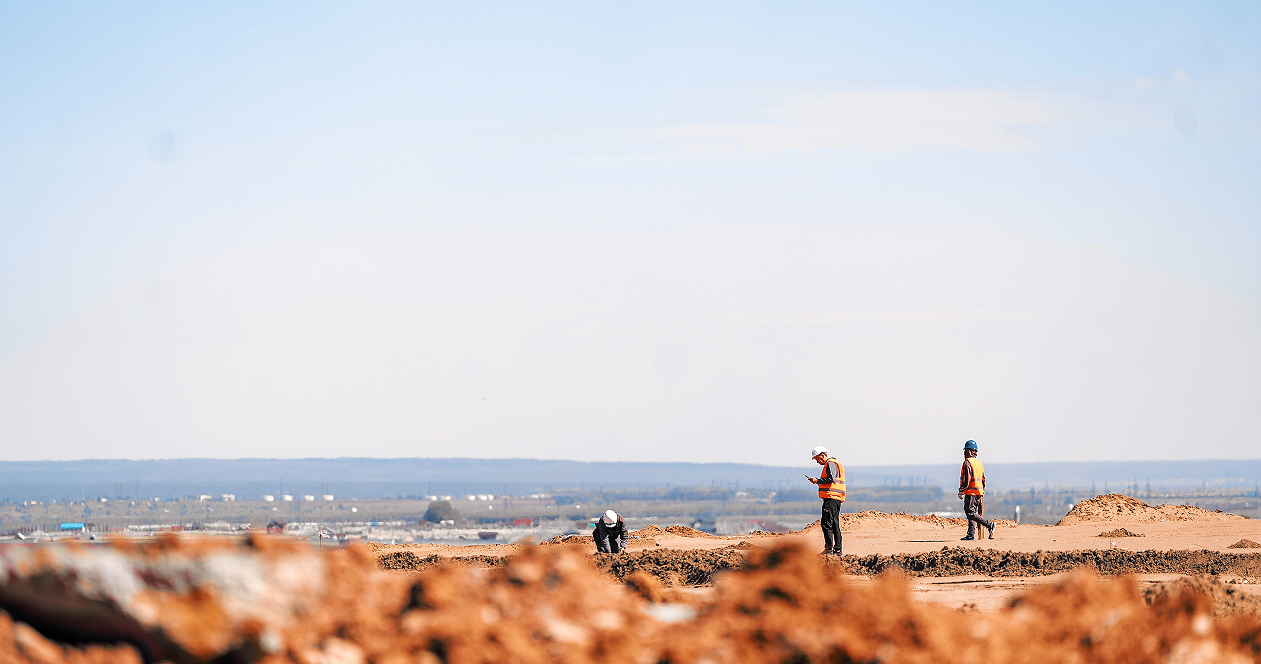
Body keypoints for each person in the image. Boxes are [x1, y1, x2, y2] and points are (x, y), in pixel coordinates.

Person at [806, 445, 845, 555]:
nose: (817, 461)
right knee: (834, 524)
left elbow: (831, 478)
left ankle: (829, 550)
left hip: (831, 498)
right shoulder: (834, 463)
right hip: (836, 498)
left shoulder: (830, 463)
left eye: (818, 459)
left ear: (823, 455)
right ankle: (837, 550)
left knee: (826, 523)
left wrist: (817, 481)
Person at [958, 440, 995, 540]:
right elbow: (983, 479)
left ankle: (989, 525)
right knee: (972, 513)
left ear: (969, 451)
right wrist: (982, 491)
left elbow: (966, 479)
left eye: (965, 451)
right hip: (978, 492)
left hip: (971, 492)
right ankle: (971, 534)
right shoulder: (979, 463)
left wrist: (961, 490)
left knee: (970, 512)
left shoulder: (967, 463)